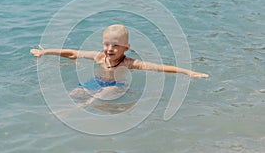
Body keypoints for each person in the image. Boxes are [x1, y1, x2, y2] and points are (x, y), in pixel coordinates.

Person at [30, 24, 208, 107]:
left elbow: (161, 67)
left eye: (115, 45)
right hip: (97, 81)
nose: (110, 49)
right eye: (107, 44)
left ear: (126, 48)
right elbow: (73, 53)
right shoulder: (99, 57)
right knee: (74, 93)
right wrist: (46, 52)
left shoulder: (130, 63)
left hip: (116, 86)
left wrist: (189, 72)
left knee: (98, 97)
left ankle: (76, 111)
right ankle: (60, 109)